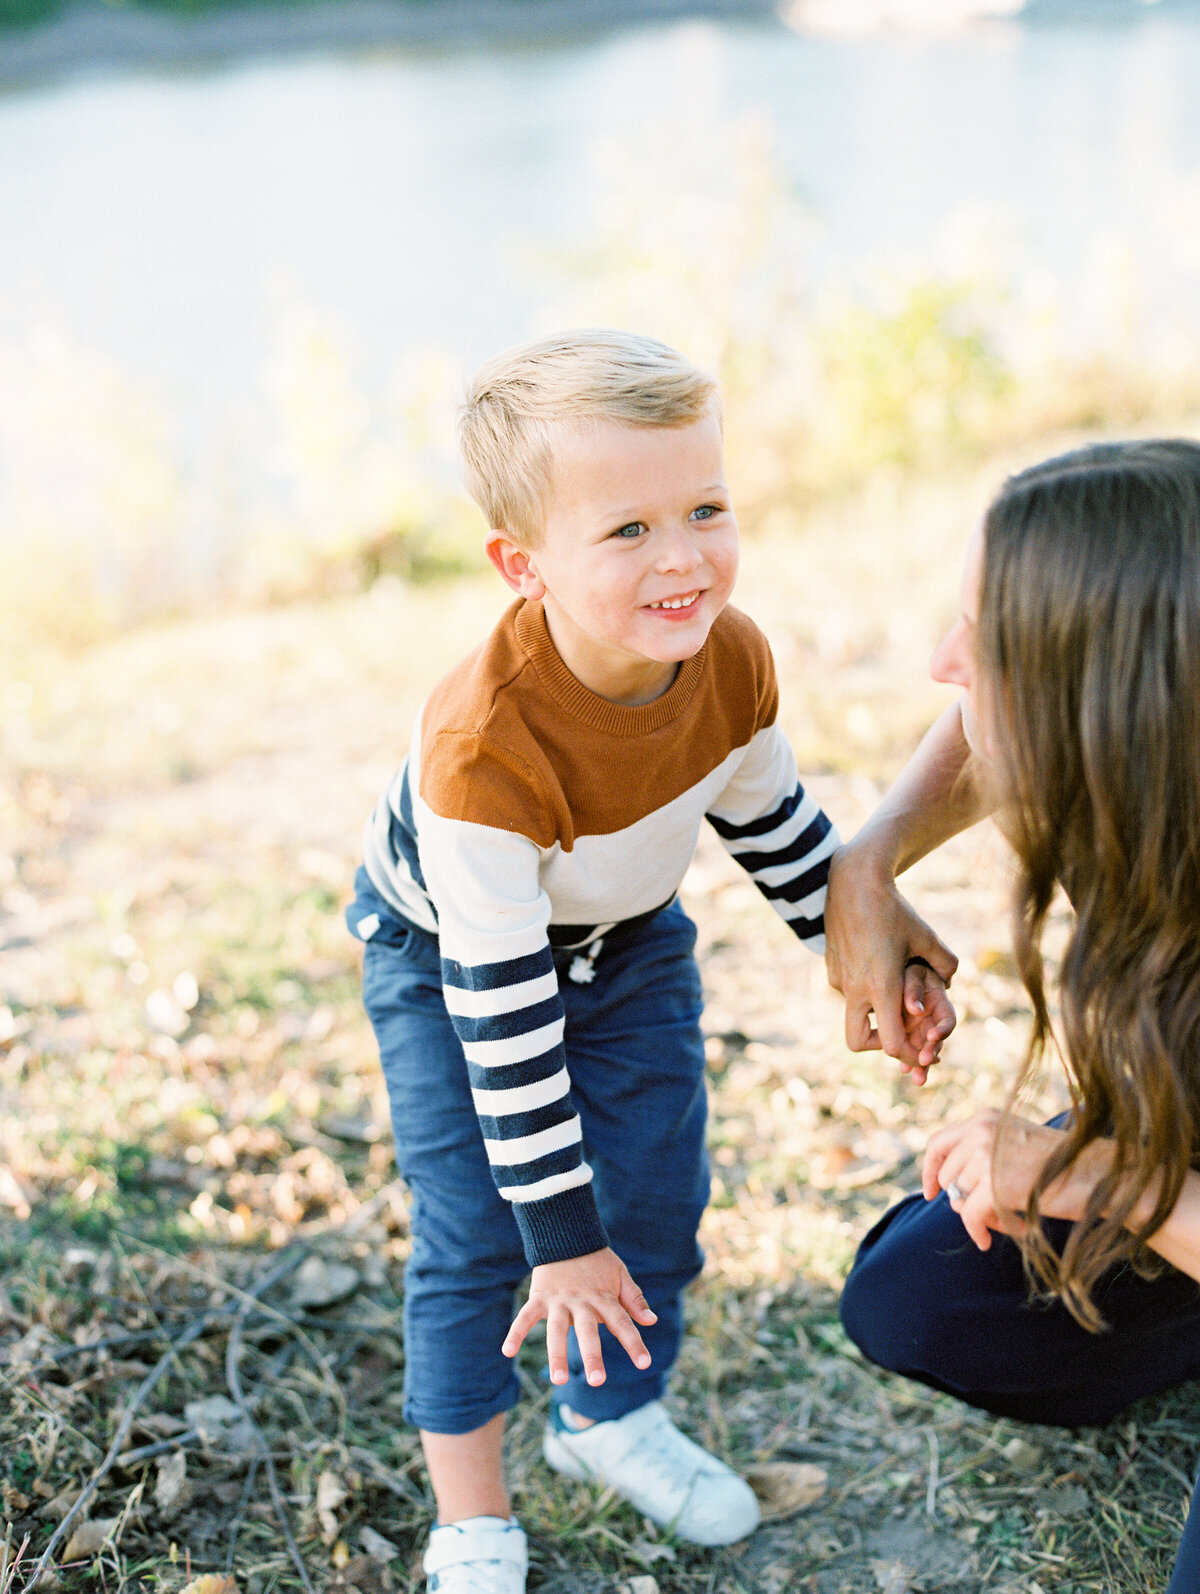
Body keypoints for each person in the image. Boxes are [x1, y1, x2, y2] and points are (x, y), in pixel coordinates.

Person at [345, 329, 953, 1594]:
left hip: (627, 946)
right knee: (484, 1235)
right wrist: (559, 1235)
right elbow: (502, 1022)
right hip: (453, 959)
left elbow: (776, 829)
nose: (683, 555)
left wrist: (866, 960)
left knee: (659, 1193)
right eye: (626, 531)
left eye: (707, 508)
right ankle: (471, 1515)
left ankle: (610, 1417)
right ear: (525, 566)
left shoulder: (725, 654)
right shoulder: (485, 751)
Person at [828, 439, 1200, 1594]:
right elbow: (985, 735)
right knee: (921, 1296)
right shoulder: (1150, 762)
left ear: (1101, 694)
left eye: (987, 637)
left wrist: (1089, 1178)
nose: (945, 660)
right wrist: (870, 860)